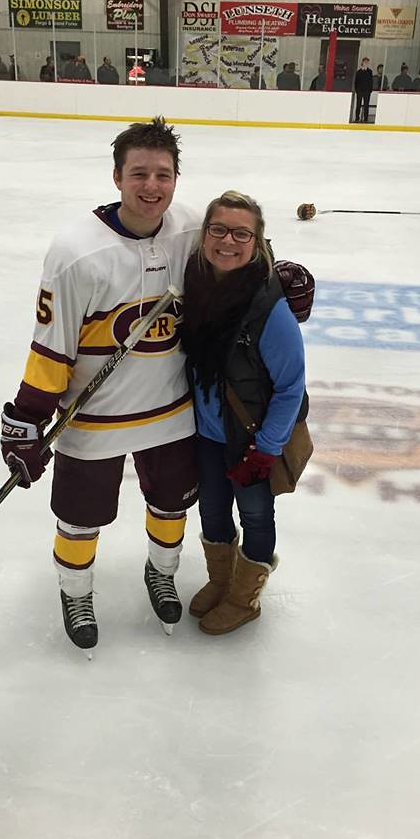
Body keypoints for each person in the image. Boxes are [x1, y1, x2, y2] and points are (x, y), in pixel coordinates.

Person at [0, 117, 202, 657]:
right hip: (93, 418)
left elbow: (243, 261)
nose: (151, 186)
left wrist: (281, 280)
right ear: (116, 177)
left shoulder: (192, 229)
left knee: (171, 506)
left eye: (163, 174)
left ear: (177, 179)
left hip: (172, 411)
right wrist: (27, 417)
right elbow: (52, 346)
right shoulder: (75, 252)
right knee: (80, 516)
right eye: (139, 173)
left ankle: (162, 574)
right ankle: (76, 593)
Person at [180, 191, 309, 635]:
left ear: (257, 242)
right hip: (208, 434)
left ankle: (244, 597)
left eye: (241, 233)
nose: (228, 241)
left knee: (255, 515)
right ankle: (221, 580)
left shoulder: (269, 308)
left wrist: (265, 450)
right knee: (212, 513)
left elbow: (292, 387)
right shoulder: (194, 284)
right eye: (218, 229)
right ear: (204, 234)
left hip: (251, 439)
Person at [354, 56, 373, 122]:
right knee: (358, 105)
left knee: (366, 105)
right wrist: (357, 90)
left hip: (367, 91)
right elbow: (356, 82)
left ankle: (365, 119)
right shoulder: (358, 72)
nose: (366, 63)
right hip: (359, 91)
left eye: (367, 62)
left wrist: (370, 90)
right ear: (362, 62)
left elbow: (371, 81)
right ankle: (357, 118)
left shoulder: (370, 72)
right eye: (365, 62)